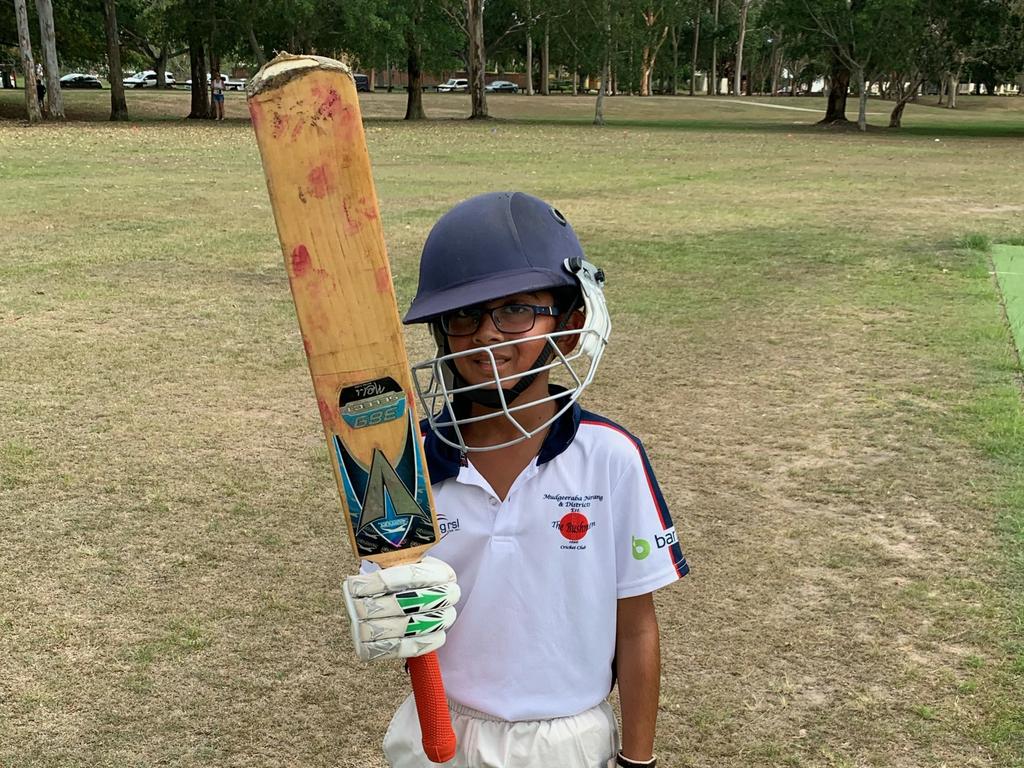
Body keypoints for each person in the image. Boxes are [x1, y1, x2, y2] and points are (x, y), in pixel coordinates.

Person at [343, 192, 689, 768]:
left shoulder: (610, 458)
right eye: (464, 315)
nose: (486, 336)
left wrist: (638, 760)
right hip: (438, 730)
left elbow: (636, 629)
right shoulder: (409, 461)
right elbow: (403, 612)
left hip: (566, 740)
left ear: (572, 324)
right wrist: (388, 615)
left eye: (515, 310)